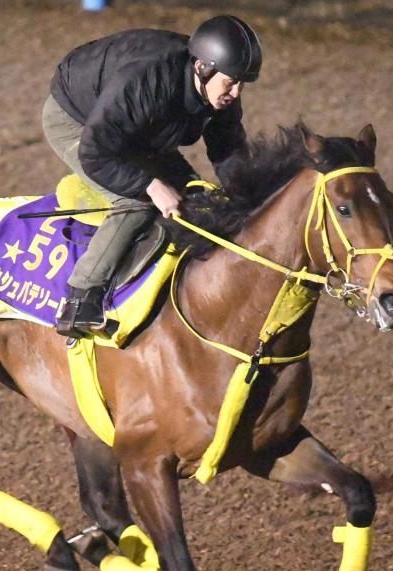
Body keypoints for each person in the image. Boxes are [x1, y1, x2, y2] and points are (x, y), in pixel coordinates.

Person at [43, 15, 262, 337]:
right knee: (135, 202)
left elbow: (227, 147)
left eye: (242, 84)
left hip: (140, 126)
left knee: (196, 197)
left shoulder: (221, 89)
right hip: (82, 124)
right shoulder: (146, 81)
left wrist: (247, 195)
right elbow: (96, 152)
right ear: (202, 67)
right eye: (231, 82)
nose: (235, 92)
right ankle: (80, 300)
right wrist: (150, 185)